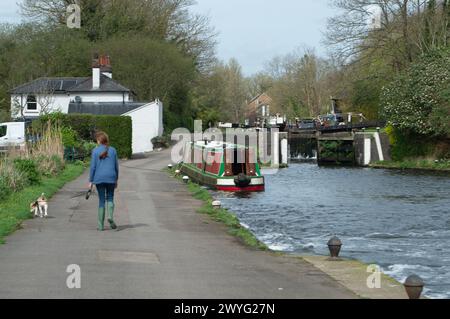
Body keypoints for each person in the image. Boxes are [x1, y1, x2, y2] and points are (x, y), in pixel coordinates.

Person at [89, 131, 119, 231]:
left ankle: (100, 226)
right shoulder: (113, 150)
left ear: (98, 140)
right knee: (110, 197)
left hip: (99, 178)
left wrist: (91, 181)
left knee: (101, 200)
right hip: (111, 177)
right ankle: (110, 216)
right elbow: (116, 167)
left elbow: (93, 167)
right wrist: (116, 179)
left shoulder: (95, 151)